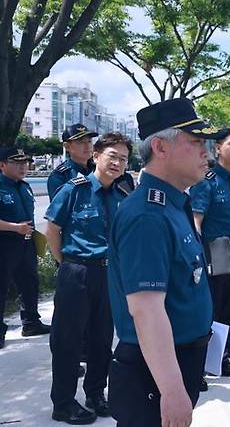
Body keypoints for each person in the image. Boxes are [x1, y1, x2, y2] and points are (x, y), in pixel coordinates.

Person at [107, 98, 217, 427]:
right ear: (160, 146)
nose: (206, 152)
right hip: (151, 373)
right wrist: (171, 390)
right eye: (196, 142)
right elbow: (147, 309)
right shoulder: (147, 215)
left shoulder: (174, 204)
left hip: (176, 360)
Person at [44, 133, 134, 425]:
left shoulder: (123, 195)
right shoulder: (74, 189)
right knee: (67, 340)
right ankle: (63, 402)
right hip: (77, 272)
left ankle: (95, 393)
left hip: (109, 275)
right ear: (96, 156)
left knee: (101, 338)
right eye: (112, 156)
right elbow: (52, 231)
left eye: (123, 158)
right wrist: (66, 264)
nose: (118, 162)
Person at [189, 127, 230, 378]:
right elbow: (196, 221)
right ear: (218, 149)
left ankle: (219, 360)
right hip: (215, 250)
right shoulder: (207, 181)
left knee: (227, 307)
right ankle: (198, 366)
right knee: (210, 308)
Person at [0, 147, 50, 349]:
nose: (23, 167)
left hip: (26, 243)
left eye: (25, 163)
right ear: (2, 165)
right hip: (5, 244)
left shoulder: (25, 186)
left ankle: (31, 322)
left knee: (30, 283)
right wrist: (15, 228)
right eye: (17, 163)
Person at [47, 124, 97, 201]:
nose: (87, 146)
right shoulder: (60, 176)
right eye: (81, 142)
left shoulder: (97, 169)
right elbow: (59, 208)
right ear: (67, 146)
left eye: (89, 141)